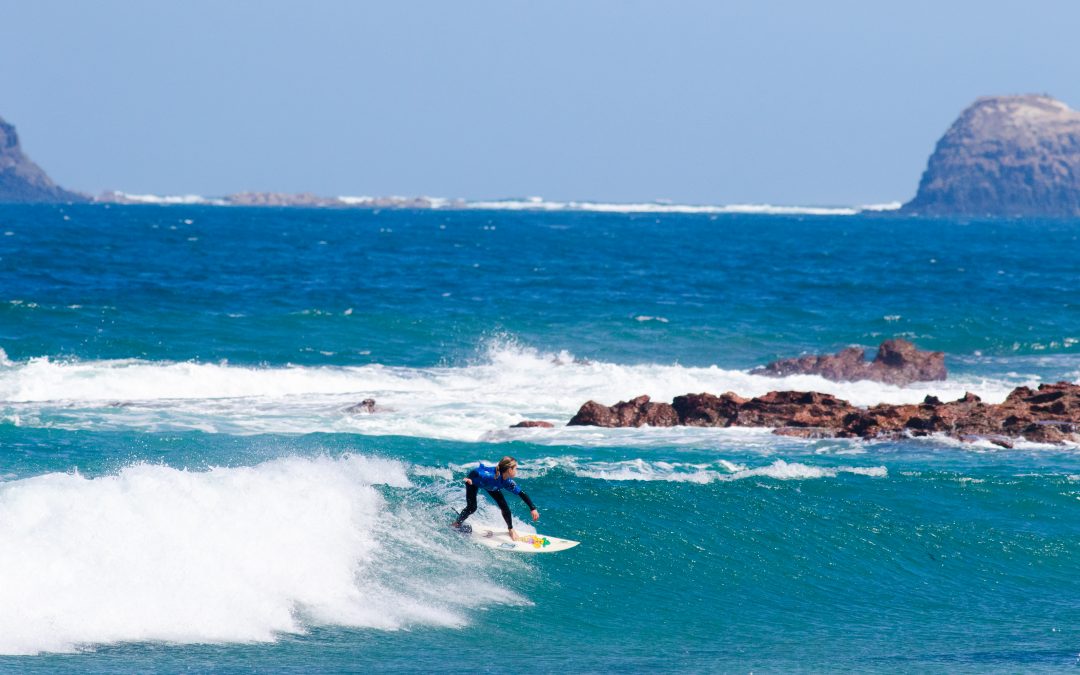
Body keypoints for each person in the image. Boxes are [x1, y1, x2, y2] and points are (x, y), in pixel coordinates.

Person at [451, 456, 539, 540]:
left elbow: (521, 493)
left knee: (505, 508)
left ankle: (511, 529)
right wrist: (469, 479)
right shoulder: (490, 476)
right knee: (472, 507)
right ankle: (456, 523)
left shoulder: (507, 482)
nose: (517, 471)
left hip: (493, 487)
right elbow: (477, 472)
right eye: (516, 468)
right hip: (474, 482)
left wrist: (533, 508)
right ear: (509, 469)